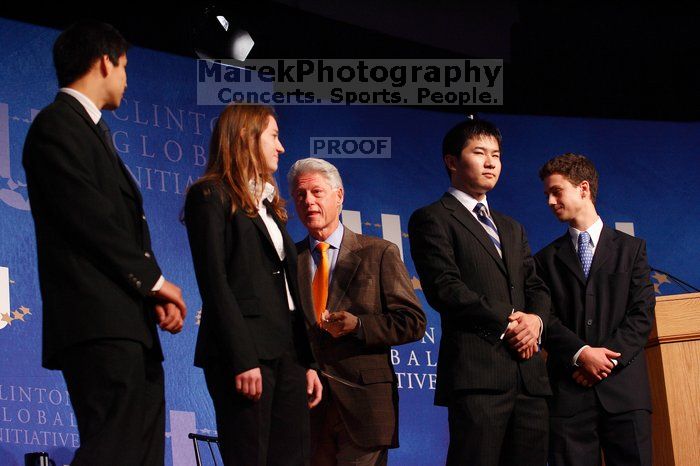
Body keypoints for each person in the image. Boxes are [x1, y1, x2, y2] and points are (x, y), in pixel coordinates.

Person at [22, 21, 187, 466]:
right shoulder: (57, 126)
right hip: (98, 326)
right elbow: (90, 221)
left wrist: (145, 297)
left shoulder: (90, 131)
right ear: (104, 61)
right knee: (115, 449)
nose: (127, 78)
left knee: (140, 453)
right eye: (125, 66)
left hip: (126, 325)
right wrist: (153, 281)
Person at [184, 104, 322, 466]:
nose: (281, 147)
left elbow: (287, 292)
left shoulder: (270, 205)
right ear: (247, 137)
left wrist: (307, 362)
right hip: (245, 355)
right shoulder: (210, 196)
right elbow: (215, 283)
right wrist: (241, 358)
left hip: (288, 355)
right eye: (274, 137)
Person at [408, 119, 551, 466]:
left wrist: (536, 321)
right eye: (480, 153)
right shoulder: (432, 218)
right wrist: (510, 319)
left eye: (496, 155)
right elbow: (445, 288)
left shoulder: (511, 227)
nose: (490, 163)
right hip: (478, 376)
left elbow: (535, 286)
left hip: (529, 378)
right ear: (452, 161)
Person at [288, 158, 426, 466]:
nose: (308, 201)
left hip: (365, 405)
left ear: (339, 195)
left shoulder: (379, 252)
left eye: (316, 192)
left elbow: (413, 322)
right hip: (307, 408)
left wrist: (359, 326)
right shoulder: (289, 260)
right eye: (300, 195)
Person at [535, 154, 655, 466]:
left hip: (626, 394)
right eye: (547, 194)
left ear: (584, 189)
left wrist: (603, 361)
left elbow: (641, 314)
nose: (549, 201)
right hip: (569, 394)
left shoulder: (632, 250)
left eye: (556, 191)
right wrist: (582, 354)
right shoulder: (543, 260)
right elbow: (545, 319)